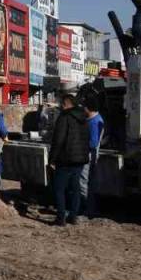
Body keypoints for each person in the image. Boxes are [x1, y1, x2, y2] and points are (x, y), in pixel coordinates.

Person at [49, 94, 90, 226]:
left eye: (62, 103)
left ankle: (61, 218)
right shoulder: (83, 118)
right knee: (75, 188)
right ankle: (73, 216)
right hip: (80, 159)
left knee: (59, 188)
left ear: (66, 104)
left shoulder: (64, 117)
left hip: (65, 158)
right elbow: (86, 138)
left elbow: (58, 140)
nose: (60, 106)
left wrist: (52, 159)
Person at [81, 100, 106, 217]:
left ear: (88, 108)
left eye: (83, 107)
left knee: (84, 182)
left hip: (88, 155)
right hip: (90, 154)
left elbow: (93, 143)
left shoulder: (94, 122)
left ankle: (87, 208)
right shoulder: (95, 119)